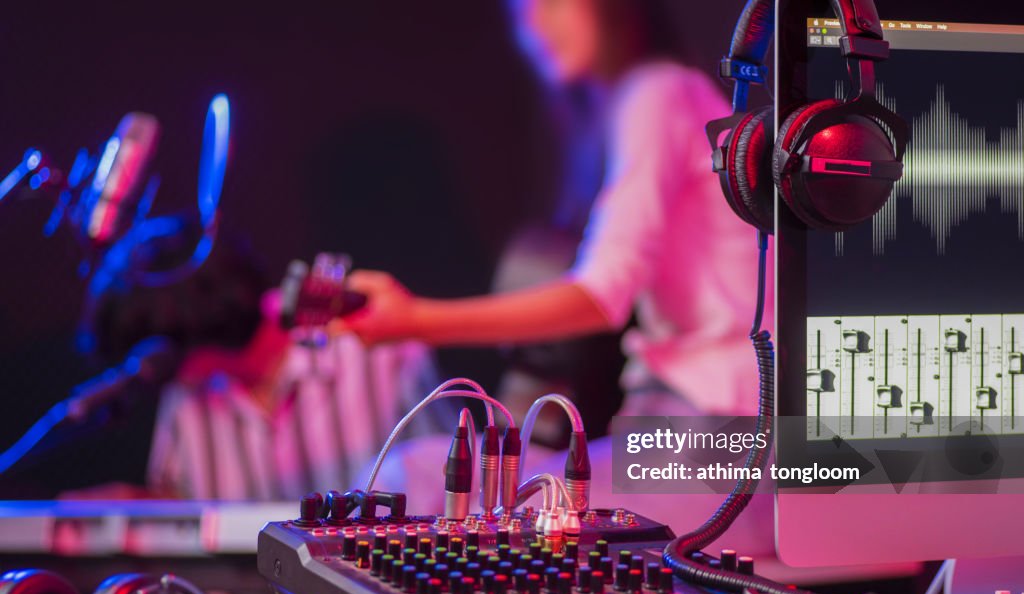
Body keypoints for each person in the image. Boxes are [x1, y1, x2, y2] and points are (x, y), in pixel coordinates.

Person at [341, 0, 775, 552]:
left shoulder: (658, 92)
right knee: (420, 473)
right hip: (687, 433)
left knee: (415, 480)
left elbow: (601, 295)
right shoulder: (639, 103)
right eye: (519, 12)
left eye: (548, 2)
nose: (533, 26)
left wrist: (414, 320)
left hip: (721, 445)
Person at [80, 213, 451, 501]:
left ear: (191, 345)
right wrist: (134, 511)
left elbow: (451, 491)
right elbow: (184, 515)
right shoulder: (186, 401)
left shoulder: (376, 352)